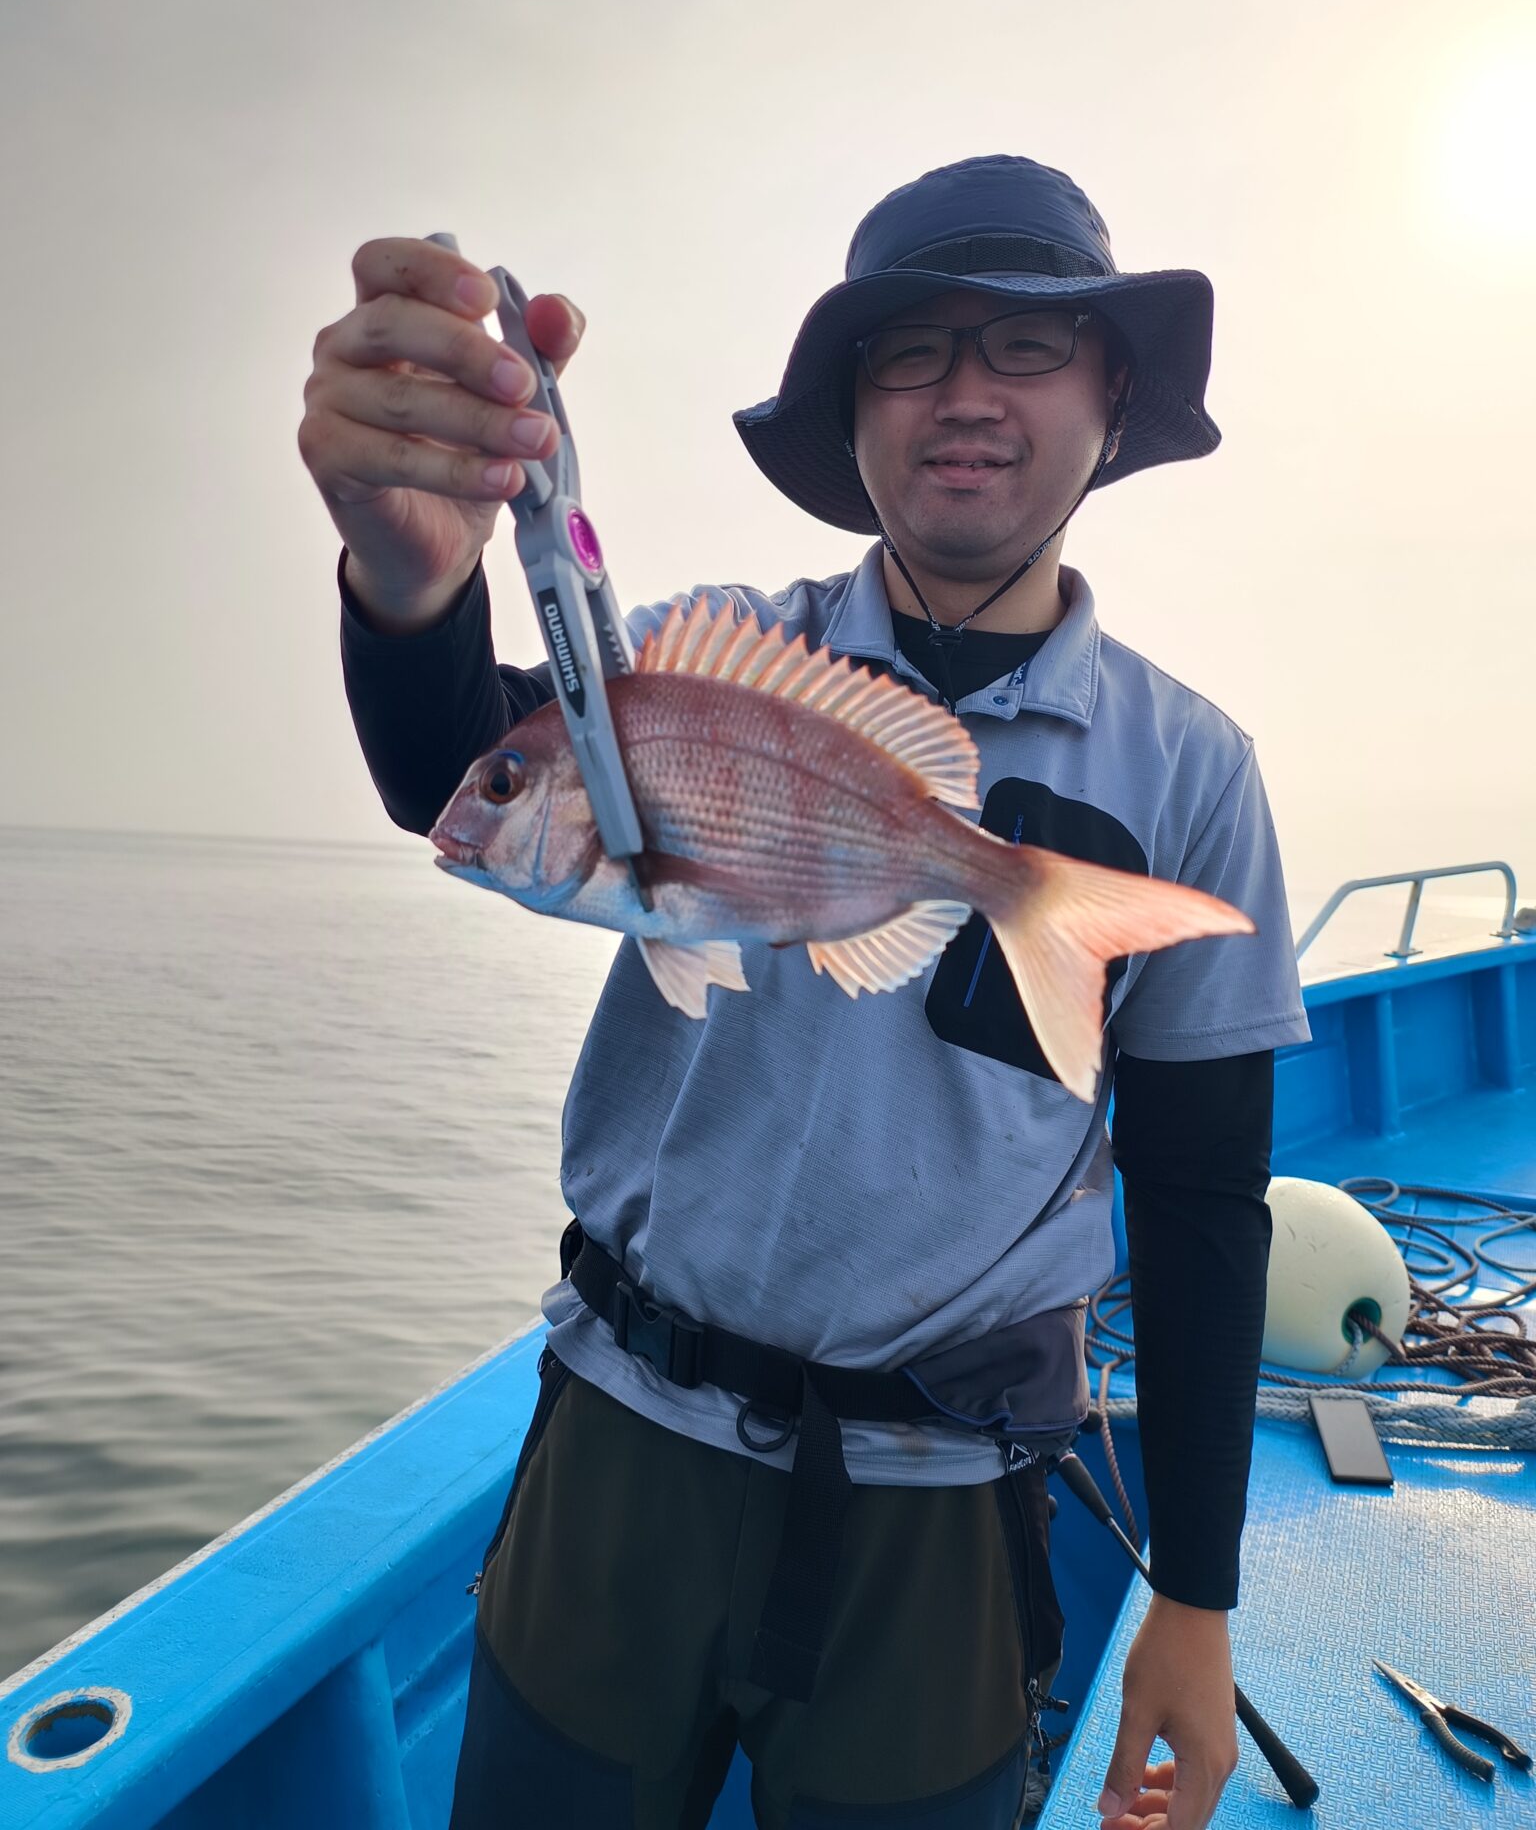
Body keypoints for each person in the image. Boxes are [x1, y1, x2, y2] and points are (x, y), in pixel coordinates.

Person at [299, 154, 1311, 1830]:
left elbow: (1204, 1197)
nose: (965, 393)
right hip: (621, 1438)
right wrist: (411, 589)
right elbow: (456, 771)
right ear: (851, 416)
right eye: (910, 352)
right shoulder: (694, 653)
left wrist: (1196, 1601)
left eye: (1027, 345)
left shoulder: (1192, 770)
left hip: (938, 1500)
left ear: (1114, 397)